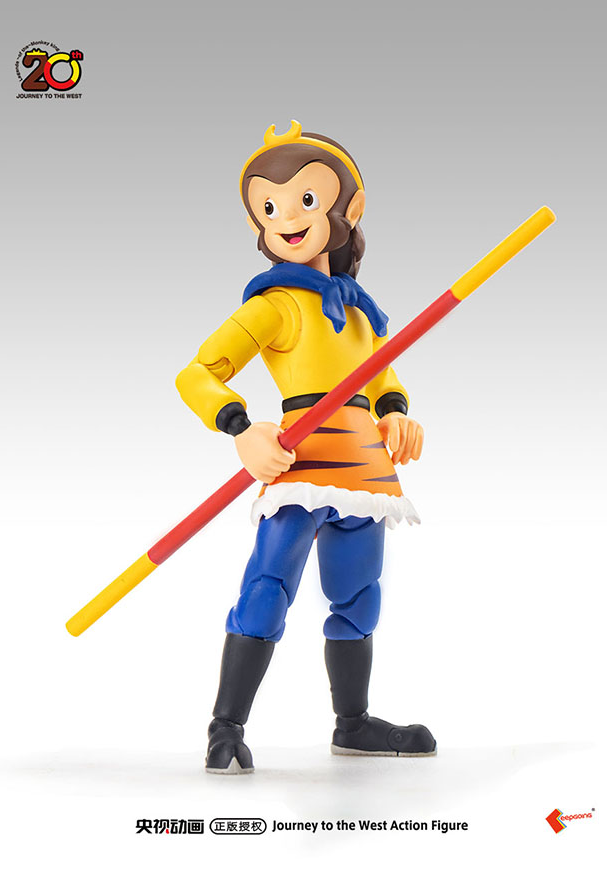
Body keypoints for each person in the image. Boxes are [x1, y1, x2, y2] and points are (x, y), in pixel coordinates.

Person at [176, 121, 436, 774]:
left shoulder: (362, 313)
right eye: (269, 208)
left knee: (358, 596)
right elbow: (198, 373)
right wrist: (241, 428)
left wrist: (396, 415)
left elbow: (383, 379)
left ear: (351, 208)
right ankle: (226, 727)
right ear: (256, 224)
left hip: (365, 471)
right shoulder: (274, 306)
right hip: (300, 463)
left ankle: (353, 723)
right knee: (267, 589)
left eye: (306, 200)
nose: (287, 219)